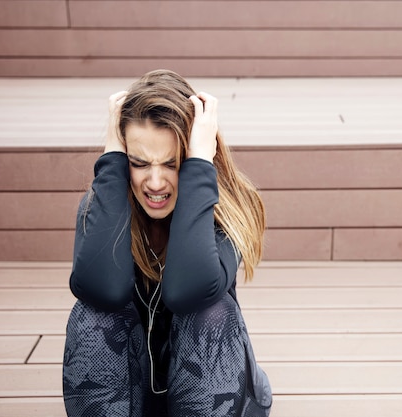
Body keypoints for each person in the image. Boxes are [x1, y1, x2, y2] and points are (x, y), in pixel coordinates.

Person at [62, 69, 272, 417]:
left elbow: (189, 292)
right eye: (138, 162)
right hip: (129, 394)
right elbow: (103, 291)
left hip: (214, 390)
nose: (155, 182)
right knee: (92, 314)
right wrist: (112, 163)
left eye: (172, 164)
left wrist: (199, 167)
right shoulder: (104, 204)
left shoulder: (230, 208)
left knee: (209, 312)